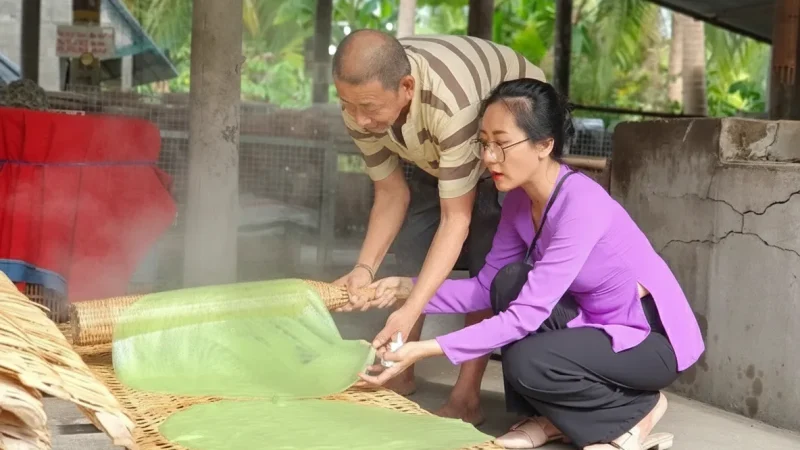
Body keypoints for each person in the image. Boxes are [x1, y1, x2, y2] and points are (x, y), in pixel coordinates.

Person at [354, 78, 705, 450]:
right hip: (594, 321)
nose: (489, 158)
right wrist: (407, 289)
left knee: (527, 361)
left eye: (502, 144)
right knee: (508, 282)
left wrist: (422, 349)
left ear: (545, 144)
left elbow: (525, 317)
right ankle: (552, 419)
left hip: (647, 340)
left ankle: (637, 411)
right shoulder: (520, 201)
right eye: (485, 143)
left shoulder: (581, 204)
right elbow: (486, 288)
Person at [330, 29, 546, 424]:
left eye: (368, 107)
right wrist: (364, 270)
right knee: (413, 244)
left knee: (487, 266)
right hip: (442, 153)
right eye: (347, 103)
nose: (358, 118)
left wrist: (410, 308)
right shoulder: (363, 103)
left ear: (406, 87)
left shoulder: (453, 106)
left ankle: (466, 397)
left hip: (505, 146)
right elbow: (391, 194)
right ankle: (399, 372)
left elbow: (456, 219)